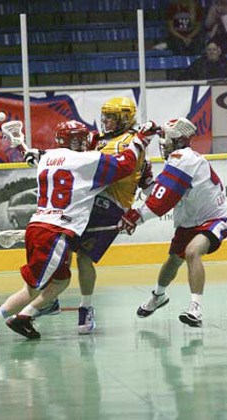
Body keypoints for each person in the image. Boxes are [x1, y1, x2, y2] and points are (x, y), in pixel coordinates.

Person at [0, 119, 152, 344]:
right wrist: (141, 139)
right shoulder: (88, 160)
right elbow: (126, 164)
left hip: (38, 226)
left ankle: (24, 317)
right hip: (55, 231)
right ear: (79, 140)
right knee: (32, 288)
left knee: (61, 280)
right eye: (81, 138)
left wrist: (27, 151)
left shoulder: (47, 158)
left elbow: (36, 156)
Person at [118, 117, 227, 327]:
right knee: (173, 261)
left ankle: (196, 309)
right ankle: (158, 296)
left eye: (165, 139)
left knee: (192, 252)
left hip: (214, 219)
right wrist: (146, 183)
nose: (163, 143)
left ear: (178, 141)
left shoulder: (183, 158)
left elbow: (161, 201)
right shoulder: (178, 159)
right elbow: (158, 193)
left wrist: (137, 216)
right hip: (189, 222)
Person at [68, 97, 158, 335]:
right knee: (61, 248)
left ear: (125, 118)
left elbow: (148, 186)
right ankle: (51, 299)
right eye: (105, 115)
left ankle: (85, 307)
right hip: (85, 203)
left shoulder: (133, 143)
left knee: (84, 258)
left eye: (111, 116)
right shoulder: (97, 140)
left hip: (109, 208)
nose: (106, 120)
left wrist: (140, 213)